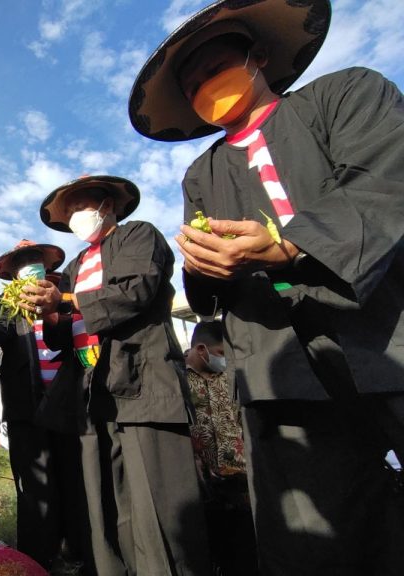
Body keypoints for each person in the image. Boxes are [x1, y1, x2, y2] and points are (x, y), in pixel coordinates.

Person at [129, 0, 404, 573]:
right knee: (310, 540)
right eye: (195, 83)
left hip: (386, 331)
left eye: (216, 67)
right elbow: (204, 289)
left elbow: (386, 177)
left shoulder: (347, 94)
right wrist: (204, 268)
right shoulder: (201, 174)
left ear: (257, 57)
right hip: (280, 367)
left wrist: (287, 246)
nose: (208, 86)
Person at [22, 175, 210, 575]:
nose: (75, 216)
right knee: (105, 502)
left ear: (106, 205)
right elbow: (62, 330)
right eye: (67, 212)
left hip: (143, 381)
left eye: (80, 206)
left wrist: (68, 301)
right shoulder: (74, 266)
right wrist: (50, 313)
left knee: (158, 502)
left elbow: (136, 290)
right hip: (93, 391)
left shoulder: (138, 236)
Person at [0, 239, 92, 572]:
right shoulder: (6, 302)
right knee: (36, 489)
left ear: (46, 266)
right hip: (26, 407)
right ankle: (37, 561)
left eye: (35, 259)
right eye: (22, 261)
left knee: (74, 479)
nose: (29, 265)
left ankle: (77, 551)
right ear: (13, 272)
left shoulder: (65, 293)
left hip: (68, 403)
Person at [186, 321, 257, 576]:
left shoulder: (233, 378)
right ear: (202, 349)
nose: (224, 360)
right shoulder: (175, 381)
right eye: (220, 354)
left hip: (243, 490)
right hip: (201, 493)